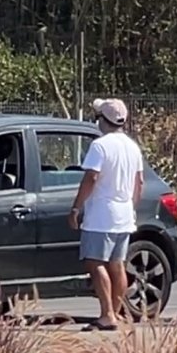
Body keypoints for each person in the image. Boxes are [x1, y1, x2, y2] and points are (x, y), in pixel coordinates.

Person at [68, 98, 144, 331]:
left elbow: (91, 177)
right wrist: (131, 207)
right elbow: (139, 182)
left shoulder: (100, 146)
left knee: (95, 262)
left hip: (101, 214)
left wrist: (76, 208)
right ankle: (116, 311)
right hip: (123, 214)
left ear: (103, 120)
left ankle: (106, 314)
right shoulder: (132, 146)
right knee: (117, 263)